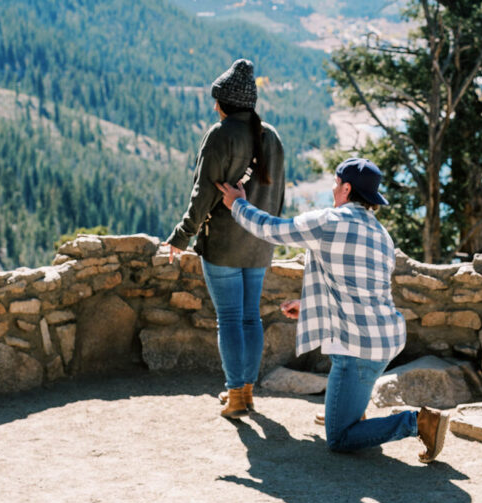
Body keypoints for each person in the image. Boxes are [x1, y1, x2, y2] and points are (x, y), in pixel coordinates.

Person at [217, 157, 449, 463]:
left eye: (336, 183)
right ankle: (356, 408)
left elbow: (272, 229)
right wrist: (309, 304)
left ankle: (417, 422)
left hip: (360, 348)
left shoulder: (329, 222)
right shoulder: (381, 234)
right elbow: (358, 287)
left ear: (347, 188)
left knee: (339, 438)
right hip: (385, 337)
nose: (332, 188)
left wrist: (237, 204)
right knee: (344, 369)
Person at [163, 58, 285, 419]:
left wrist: (181, 236)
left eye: (215, 99)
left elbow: (203, 196)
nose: (214, 105)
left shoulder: (221, 135)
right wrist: (271, 232)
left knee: (230, 319)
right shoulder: (272, 136)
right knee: (251, 318)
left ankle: (235, 395)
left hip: (225, 244)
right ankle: (245, 391)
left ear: (223, 102)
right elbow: (277, 195)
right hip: (260, 240)